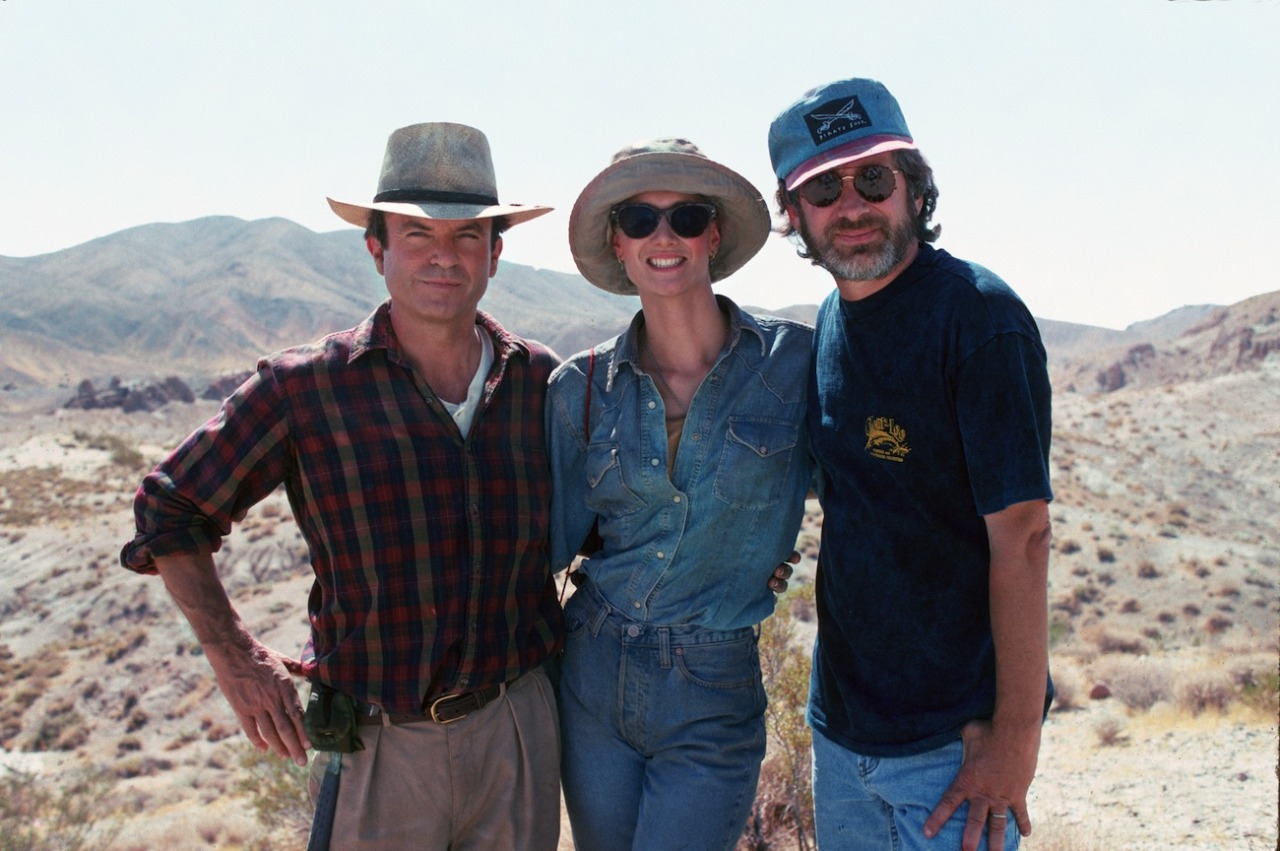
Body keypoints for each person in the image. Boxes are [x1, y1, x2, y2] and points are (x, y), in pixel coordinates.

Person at [120, 122, 565, 850]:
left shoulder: (540, 380)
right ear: (376, 249)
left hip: (517, 729)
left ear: (496, 253)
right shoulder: (307, 388)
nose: (443, 258)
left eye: (466, 237)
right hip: (380, 745)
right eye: (418, 235)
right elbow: (170, 505)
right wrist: (236, 657)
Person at [766, 79, 1054, 851]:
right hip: (841, 733)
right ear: (792, 213)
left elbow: (1023, 537)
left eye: (873, 178)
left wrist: (1016, 741)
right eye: (823, 188)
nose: (852, 205)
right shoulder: (832, 320)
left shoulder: (979, 319)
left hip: (950, 749)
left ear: (913, 186)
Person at [546, 138, 814, 851]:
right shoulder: (577, 388)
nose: (664, 237)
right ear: (618, 243)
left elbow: (873, 491)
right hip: (592, 668)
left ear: (714, 234)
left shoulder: (794, 365)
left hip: (713, 682)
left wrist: (773, 553)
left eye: (686, 216)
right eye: (639, 219)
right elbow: (545, 544)